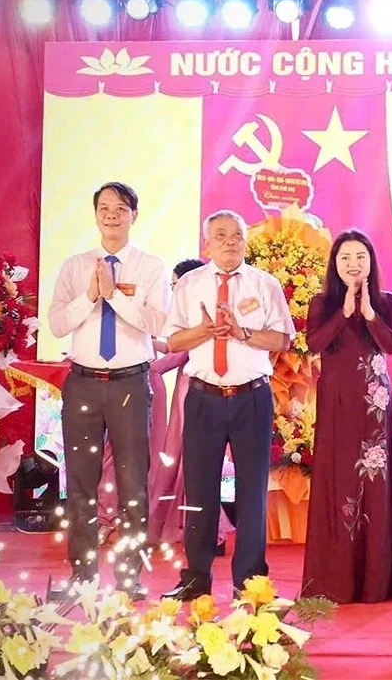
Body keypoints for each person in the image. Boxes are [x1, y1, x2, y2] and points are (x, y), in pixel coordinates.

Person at [160, 210, 294, 601]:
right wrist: (204, 330)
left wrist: (241, 332)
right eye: (221, 235)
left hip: (252, 397)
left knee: (253, 491)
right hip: (204, 396)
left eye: (237, 235)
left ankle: (250, 581)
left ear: (245, 242)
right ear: (207, 244)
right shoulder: (189, 285)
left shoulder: (265, 284)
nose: (230, 242)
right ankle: (196, 576)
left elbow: (282, 340)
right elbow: (172, 342)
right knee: (200, 490)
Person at [46, 182, 168, 601]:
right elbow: (59, 324)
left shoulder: (150, 267)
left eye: (120, 208)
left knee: (134, 481)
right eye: (104, 207)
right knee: (80, 481)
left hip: (130, 382)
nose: (111, 214)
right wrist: (90, 296)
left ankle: (128, 577)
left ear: (134, 214)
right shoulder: (76, 266)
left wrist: (113, 295)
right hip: (82, 382)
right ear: (95, 214)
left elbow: (155, 324)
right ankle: (82, 575)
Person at [300, 230, 392, 604]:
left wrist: (369, 315)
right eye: (345, 257)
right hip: (336, 406)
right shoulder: (321, 303)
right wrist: (345, 311)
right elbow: (314, 343)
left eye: (360, 257)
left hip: (375, 407)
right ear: (335, 264)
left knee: (375, 488)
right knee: (337, 482)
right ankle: (337, 580)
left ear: (371, 263)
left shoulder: (387, 302)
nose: (353, 264)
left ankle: (376, 581)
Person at [96, 258, 235, 548]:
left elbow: (174, 352)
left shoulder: (203, 312)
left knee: (187, 458)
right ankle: (198, 527)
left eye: (175, 284)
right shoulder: (185, 313)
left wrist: (142, 355)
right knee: (179, 458)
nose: (172, 290)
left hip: (196, 388)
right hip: (184, 386)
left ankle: (203, 528)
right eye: (171, 285)